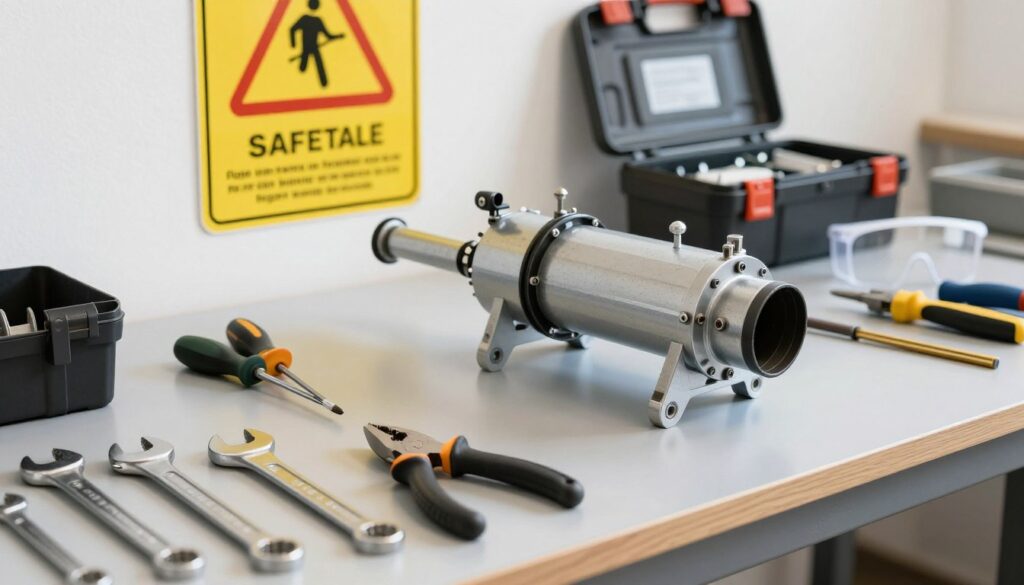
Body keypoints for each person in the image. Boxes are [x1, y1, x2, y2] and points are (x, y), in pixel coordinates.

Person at [289, 0, 344, 88]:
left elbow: (328, 36)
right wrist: (293, 44)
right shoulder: (307, 19)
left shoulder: (315, 20)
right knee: (303, 68)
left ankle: (324, 83)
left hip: (313, 47)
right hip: (306, 48)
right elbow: (292, 29)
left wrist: (338, 36)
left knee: (317, 65)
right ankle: (301, 83)